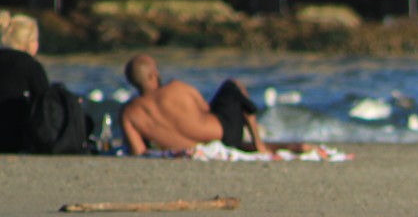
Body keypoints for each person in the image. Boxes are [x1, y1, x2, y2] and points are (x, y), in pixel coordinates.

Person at [120, 54, 305, 156]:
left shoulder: (129, 114)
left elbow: (138, 152)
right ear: (153, 76)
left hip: (190, 149)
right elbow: (205, 109)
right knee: (232, 86)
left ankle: (256, 145)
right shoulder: (176, 87)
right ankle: (259, 144)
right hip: (224, 133)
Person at [0, 12, 50, 153]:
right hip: (17, 138)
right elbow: (45, 101)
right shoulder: (30, 66)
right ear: (28, 42)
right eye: (35, 40)